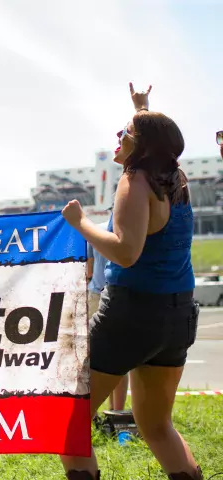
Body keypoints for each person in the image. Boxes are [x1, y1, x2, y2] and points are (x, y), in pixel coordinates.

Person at [61, 83, 202, 480]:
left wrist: (81, 223)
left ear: (141, 146)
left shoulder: (134, 180)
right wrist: (142, 108)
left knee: (69, 422)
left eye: (125, 133)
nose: (117, 139)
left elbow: (125, 251)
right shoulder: (176, 178)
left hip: (132, 314)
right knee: (157, 426)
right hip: (177, 316)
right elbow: (160, 141)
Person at [87, 221, 128, 412]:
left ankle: (89, 412)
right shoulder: (131, 228)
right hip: (120, 294)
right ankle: (117, 412)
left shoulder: (95, 229)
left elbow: (88, 269)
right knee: (119, 358)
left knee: (90, 358)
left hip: (96, 293)